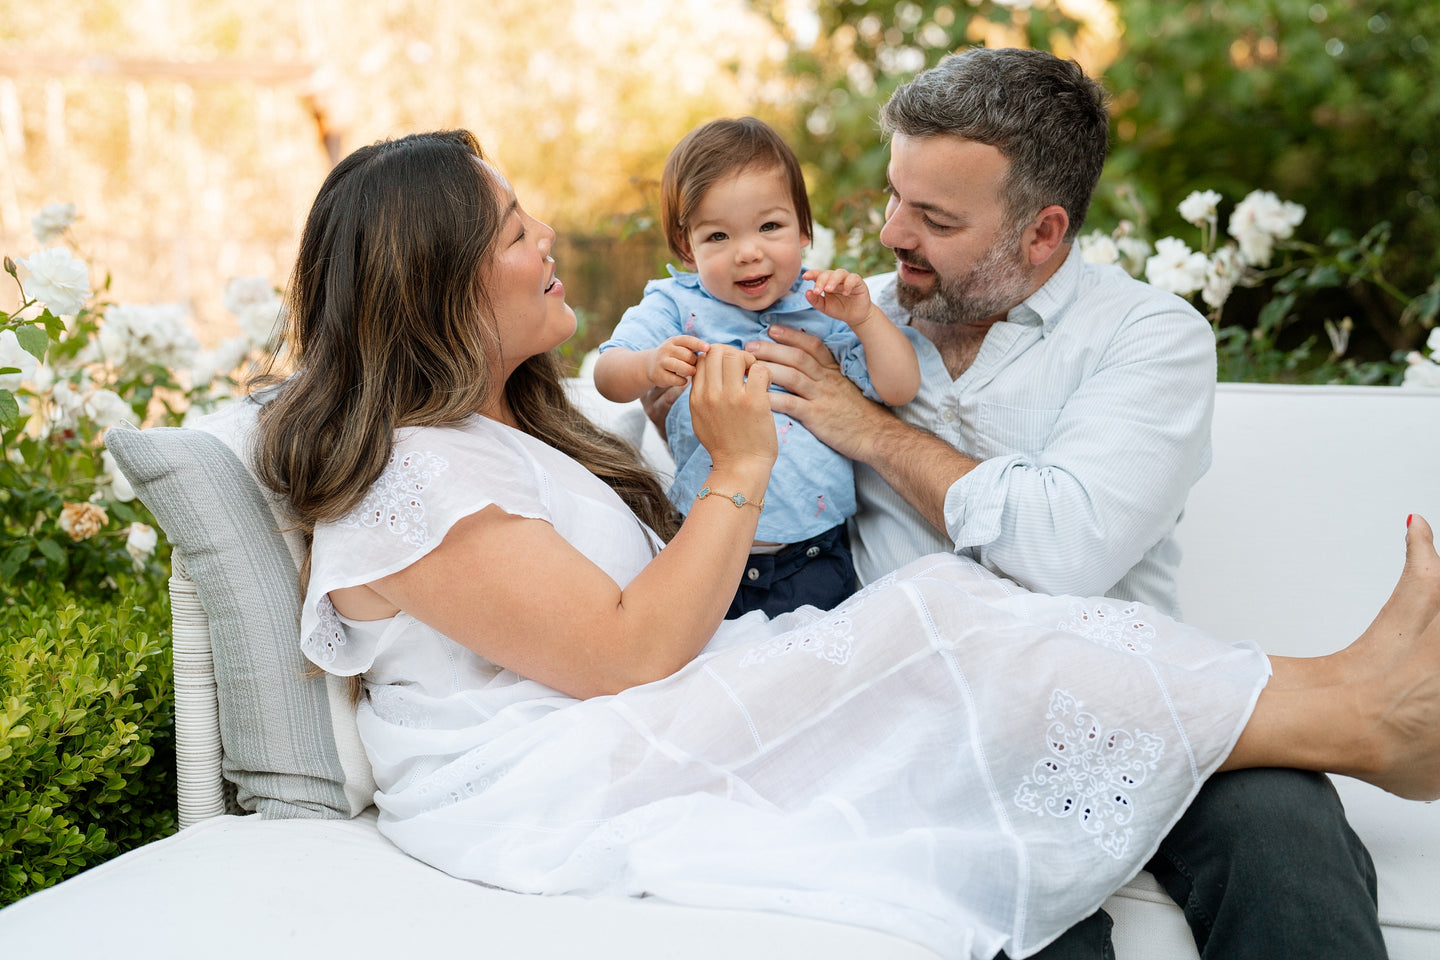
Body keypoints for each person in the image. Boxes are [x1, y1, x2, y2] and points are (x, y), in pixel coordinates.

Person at [252, 129, 1440, 960]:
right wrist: (746, 466)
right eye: (516, 227)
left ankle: (1352, 706)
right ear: (440, 279)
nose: (547, 229)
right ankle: (1360, 708)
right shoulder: (409, 471)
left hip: (640, 710)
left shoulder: (530, 421)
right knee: (949, 618)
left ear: (1042, 228)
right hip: (564, 770)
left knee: (979, 636)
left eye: (932, 216)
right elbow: (621, 654)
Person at [733, 47, 1389, 959]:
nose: (890, 234)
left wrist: (873, 431)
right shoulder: (844, 328)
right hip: (935, 726)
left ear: (1042, 234)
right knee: (1016, 927)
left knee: (1289, 834)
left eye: (933, 217)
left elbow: (1064, 549)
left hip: (1131, 705)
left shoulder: (1148, 339)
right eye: (891, 196)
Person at [593, 117, 919, 619]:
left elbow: (899, 388)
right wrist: (649, 364)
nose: (748, 252)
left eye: (770, 226)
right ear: (687, 247)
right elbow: (607, 375)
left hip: (815, 554)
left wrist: (867, 318)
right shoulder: (675, 304)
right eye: (718, 236)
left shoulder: (822, 305)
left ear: (803, 228)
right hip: (707, 549)